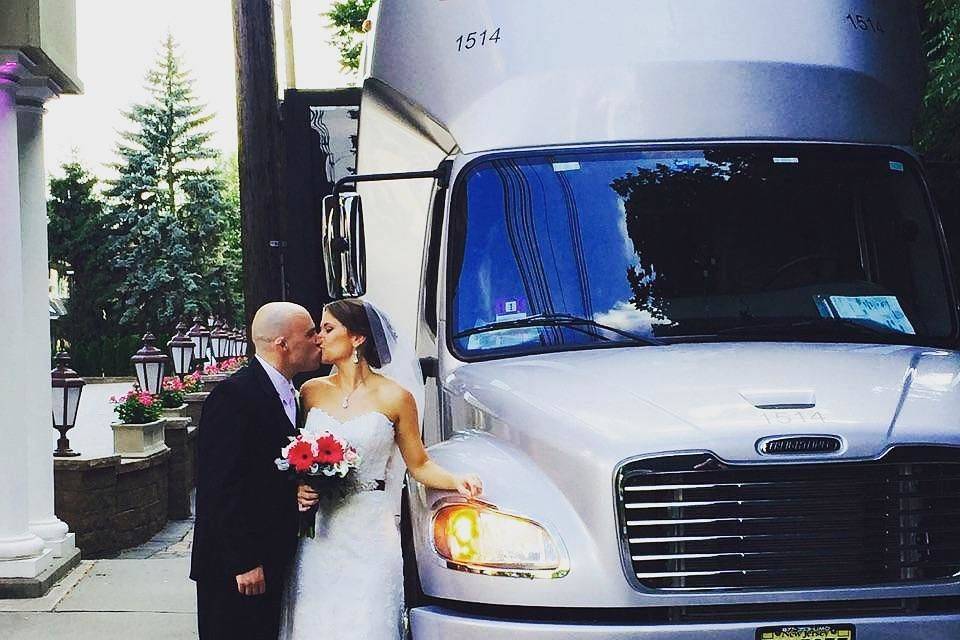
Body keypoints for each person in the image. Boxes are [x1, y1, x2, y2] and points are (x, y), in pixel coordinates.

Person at [280, 298, 483, 640]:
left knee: (366, 622)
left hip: (370, 532)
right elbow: (292, 458)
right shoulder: (310, 393)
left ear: (357, 338)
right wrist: (299, 485)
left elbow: (419, 465)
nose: (319, 337)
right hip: (321, 533)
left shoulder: (396, 397)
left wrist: (456, 480)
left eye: (328, 329)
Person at [190, 302, 323, 640]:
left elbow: (264, 470)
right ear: (282, 344)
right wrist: (244, 561)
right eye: (309, 333)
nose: (318, 339)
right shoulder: (233, 396)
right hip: (235, 570)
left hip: (273, 553)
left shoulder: (294, 394)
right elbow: (219, 487)